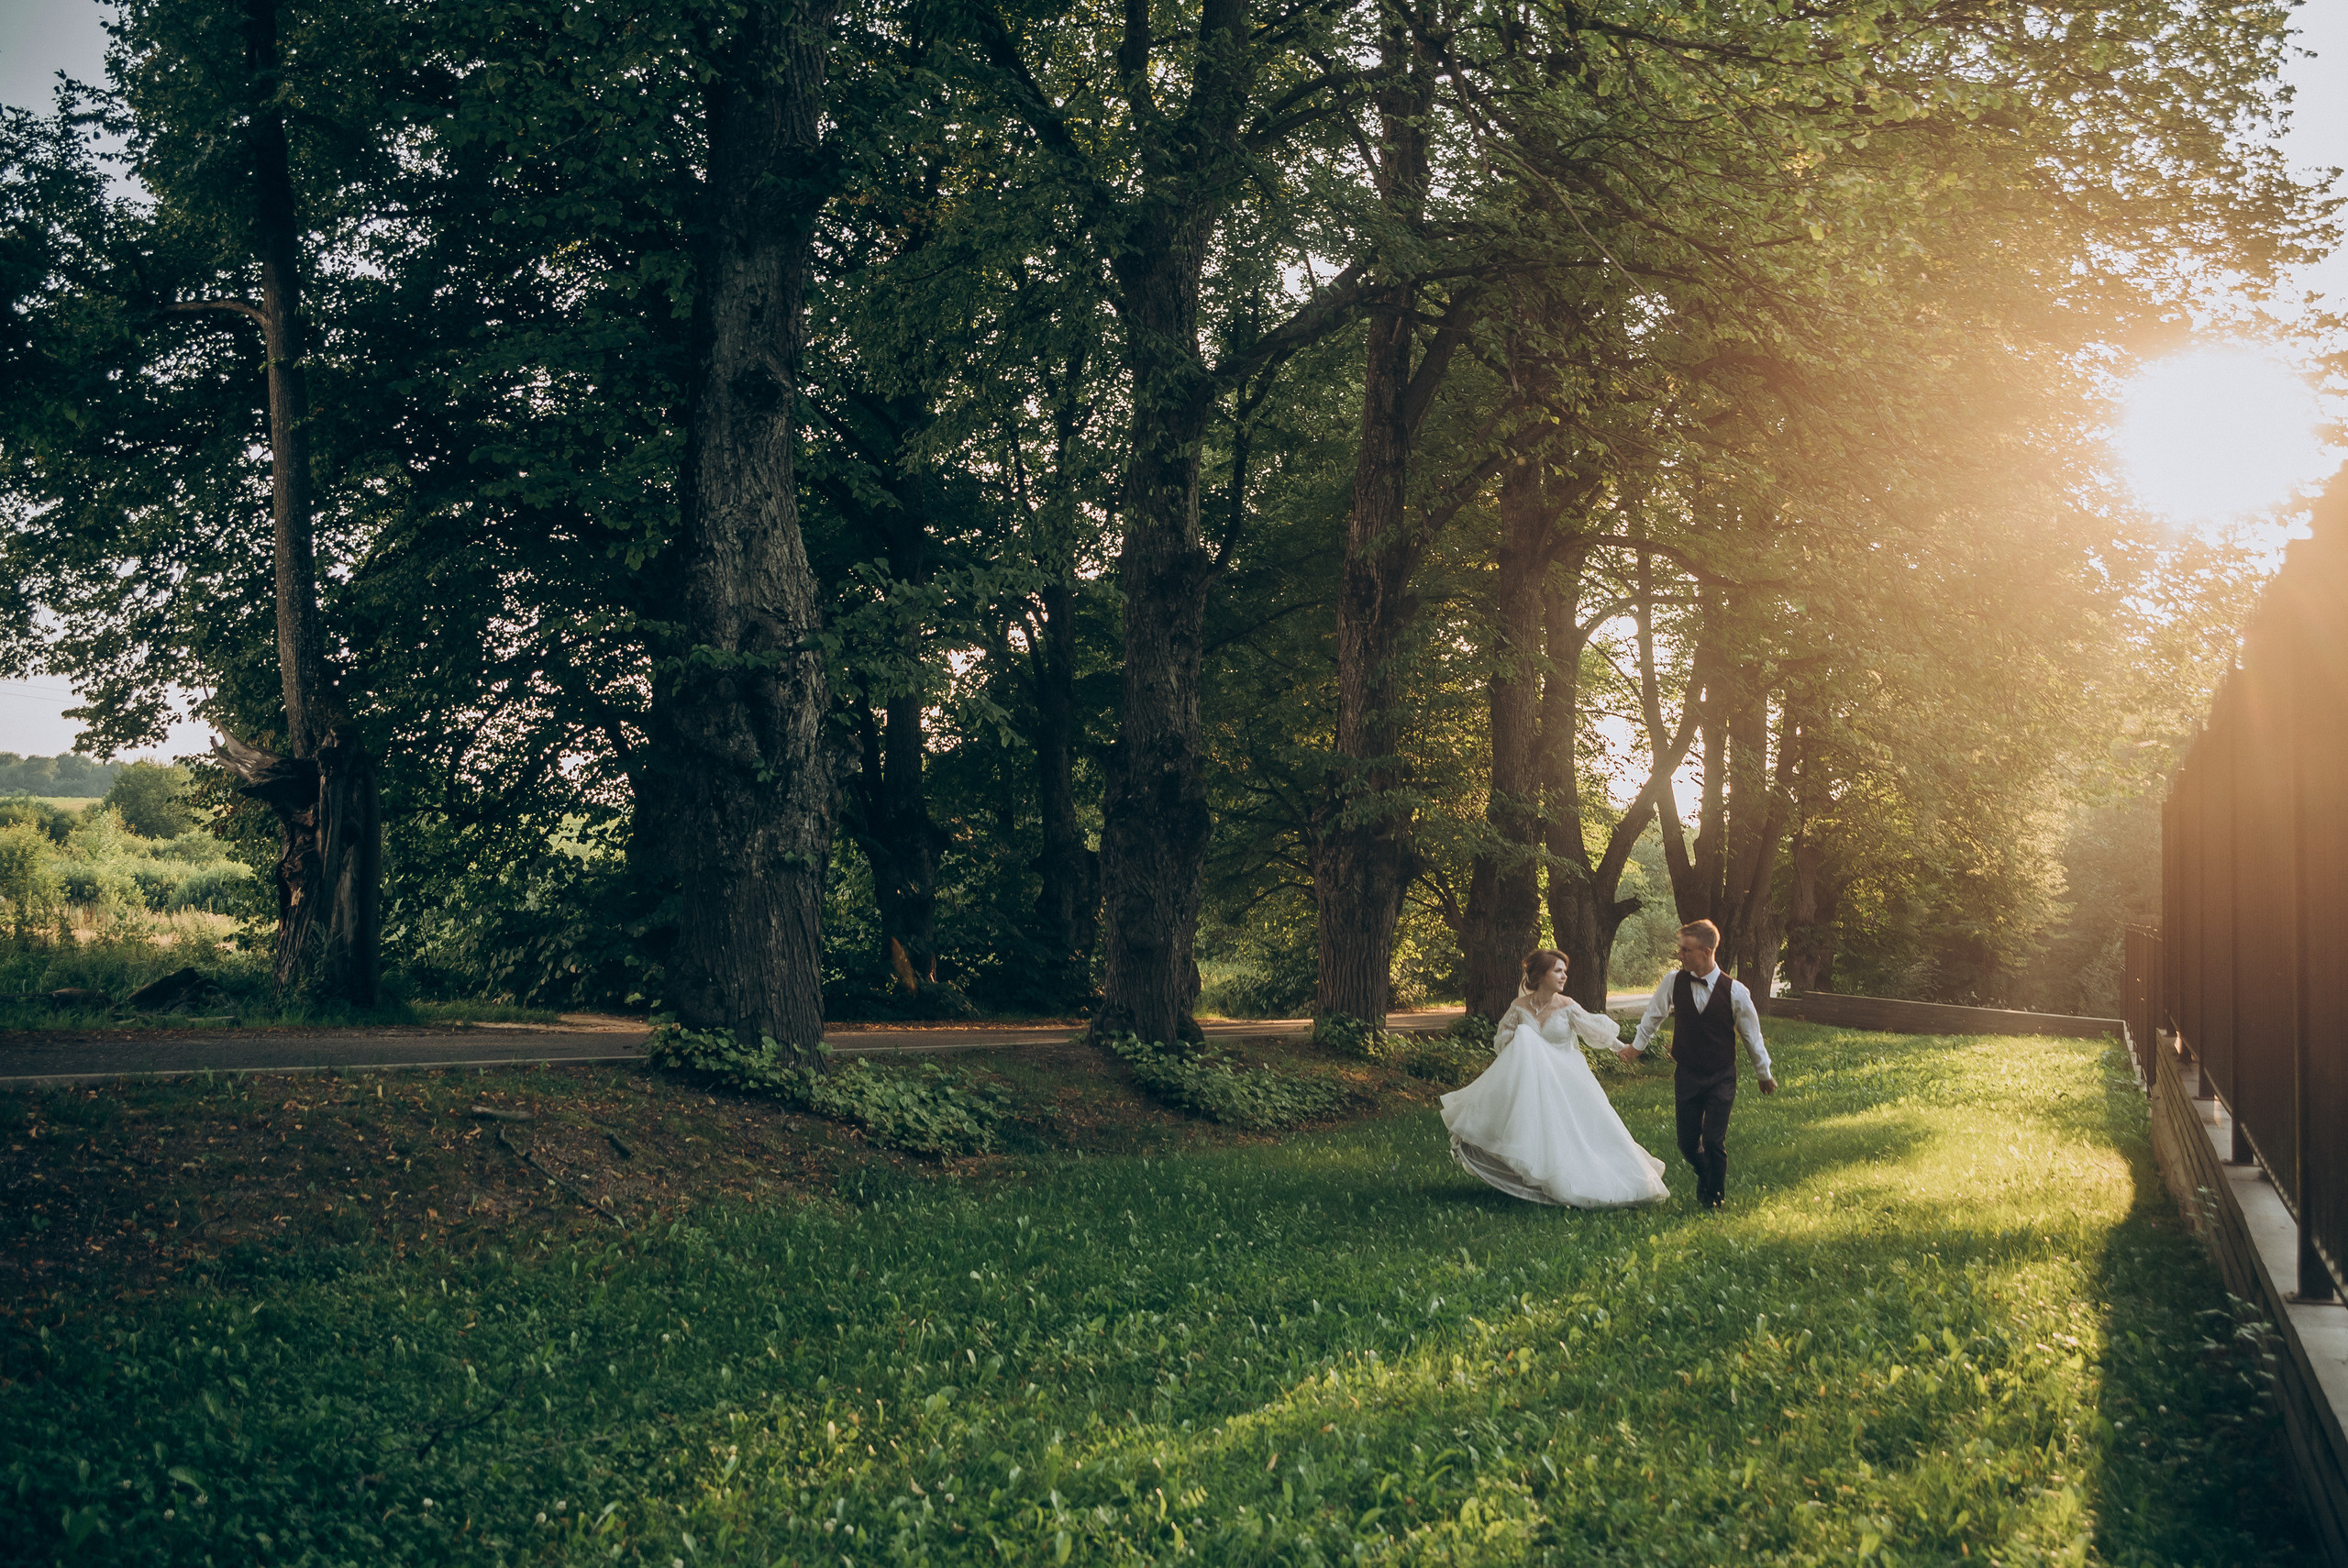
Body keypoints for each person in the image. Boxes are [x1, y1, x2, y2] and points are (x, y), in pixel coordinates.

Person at [1439, 947, 1669, 1208]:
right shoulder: (1518, 1007)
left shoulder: (1567, 1005)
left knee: (1582, 1132)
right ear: (1539, 975)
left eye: (1565, 972)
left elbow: (1595, 1032)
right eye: (1558, 971)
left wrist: (1624, 1049)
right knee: (1525, 1047)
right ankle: (1532, 1176)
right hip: (1531, 1081)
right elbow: (1502, 1043)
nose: (1564, 976)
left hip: (1565, 1078)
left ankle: (1592, 1180)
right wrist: (1524, 1043)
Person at [1628, 920, 1777, 1210]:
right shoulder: (1673, 981)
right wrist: (1637, 1047)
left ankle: (1713, 1200)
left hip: (1721, 1076)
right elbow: (1653, 1016)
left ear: (1706, 951)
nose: (1679, 954)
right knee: (1686, 1142)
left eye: (1686, 949)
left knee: (1713, 1140)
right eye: (1680, 949)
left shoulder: (1736, 992)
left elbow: (1752, 1036)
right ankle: (1705, 1173)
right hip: (1687, 1074)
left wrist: (1764, 1074)